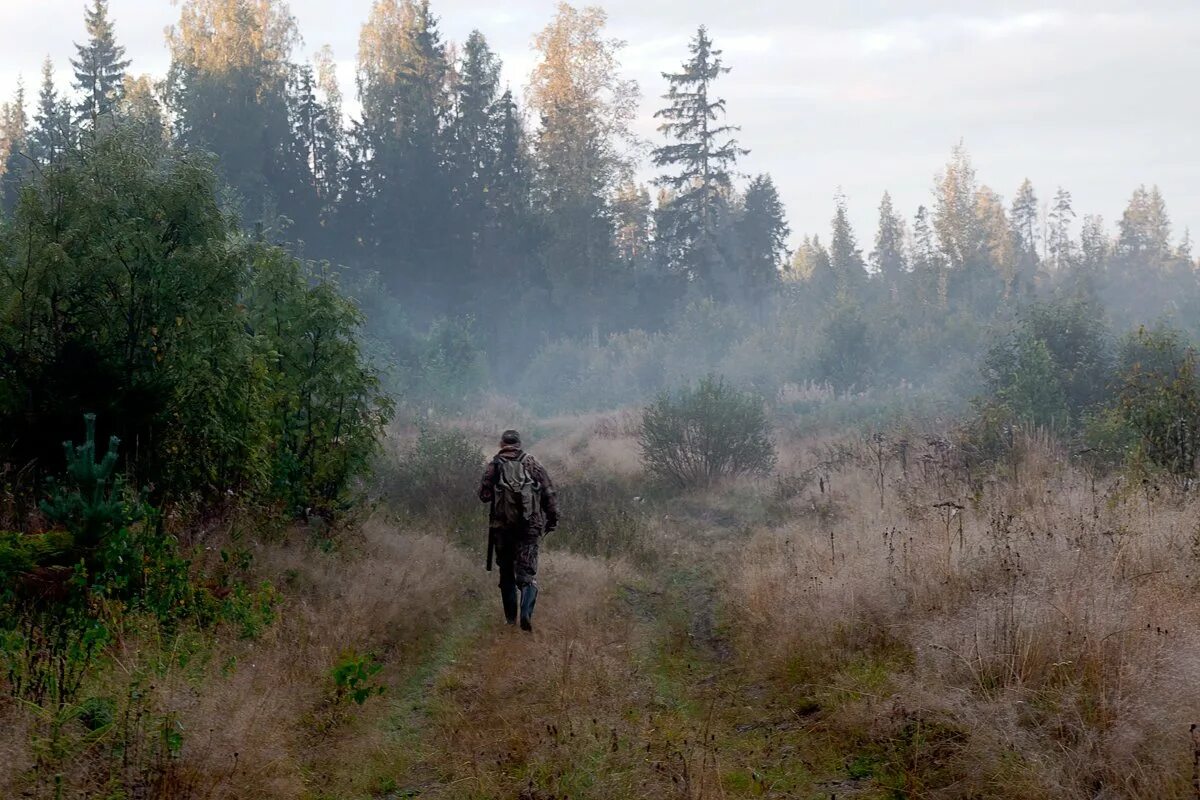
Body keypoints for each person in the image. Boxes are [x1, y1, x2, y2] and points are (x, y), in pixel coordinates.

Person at [478, 430, 558, 631]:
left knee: (506, 573)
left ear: (502, 443)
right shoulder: (531, 463)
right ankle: (526, 613)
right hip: (529, 528)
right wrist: (552, 518)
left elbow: (484, 495)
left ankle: (511, 620)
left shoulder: (494, 464)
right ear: (519, 444)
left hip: (502, 529)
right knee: (527, 574)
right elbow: (548, 491)